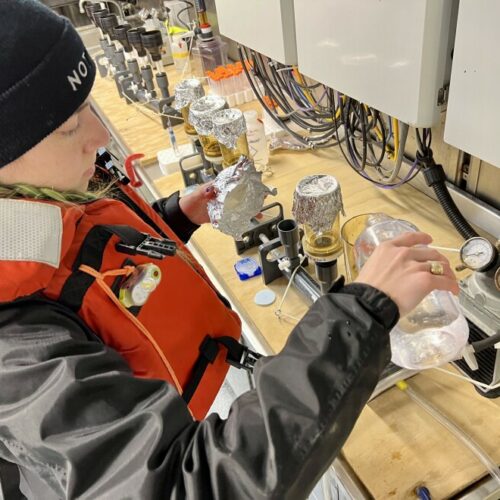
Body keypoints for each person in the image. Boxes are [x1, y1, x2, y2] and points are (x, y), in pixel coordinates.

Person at [0, 2, 460, 498]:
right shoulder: (18, 349)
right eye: (69, 125)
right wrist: (362, 313)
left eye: (89, 106)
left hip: (184, 396)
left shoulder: (33, 205)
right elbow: (188, 484)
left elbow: (85, 258)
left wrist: (175, 216)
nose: (97, 134)